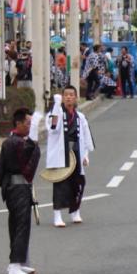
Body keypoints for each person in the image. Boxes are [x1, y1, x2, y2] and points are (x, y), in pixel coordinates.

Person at [0, 107, 42, 274]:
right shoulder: (13, 142)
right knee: (20, 226)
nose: (30, 126)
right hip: (17, 188)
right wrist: (34, 138)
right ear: (19, 123)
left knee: (17, 225)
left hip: (16, 188)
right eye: (28, 123)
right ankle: (15, 265)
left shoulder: (13, 140)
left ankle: (16, 262)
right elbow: (28, 153)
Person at [46, 86, 94, 228]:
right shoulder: (58, 113)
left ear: (76, 97)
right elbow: (53, 128)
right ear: (62, 97)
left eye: (71, 95)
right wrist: (55, 105)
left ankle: (75, 211)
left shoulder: (80, 117)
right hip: (62, 154)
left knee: (78, 183)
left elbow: (85, 137)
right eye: (66, 95)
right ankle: (57, 215)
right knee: (61, 184)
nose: (68, 97)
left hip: (76, 152)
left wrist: (86, 155)